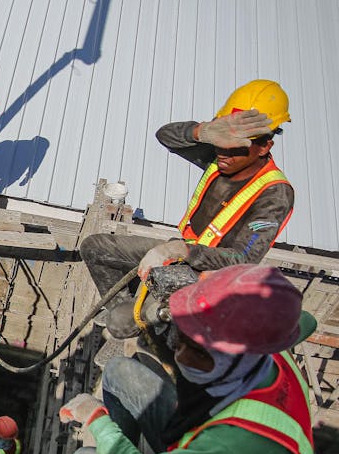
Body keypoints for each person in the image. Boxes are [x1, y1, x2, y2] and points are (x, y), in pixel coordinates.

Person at [58, 265, 314, 454]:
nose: (180, 356)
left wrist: (95, 417)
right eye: (183, 340)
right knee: (118, 371)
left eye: (199, 353)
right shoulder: (265, 344)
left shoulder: (241, 441)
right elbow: (307, 321)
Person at [79, 80, 295, 334]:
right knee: (94, 247)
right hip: (180, 252)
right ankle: (124, 309)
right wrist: (202, 131)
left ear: (264, 146)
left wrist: (182, 251)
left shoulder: (274, 193)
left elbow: (242, 258)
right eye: (220, 142)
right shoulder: (222, 158)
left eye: (235, 147)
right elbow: (165, 135)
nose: (223, 153)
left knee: (118, 326)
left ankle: (134, 323)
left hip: (208, 276)